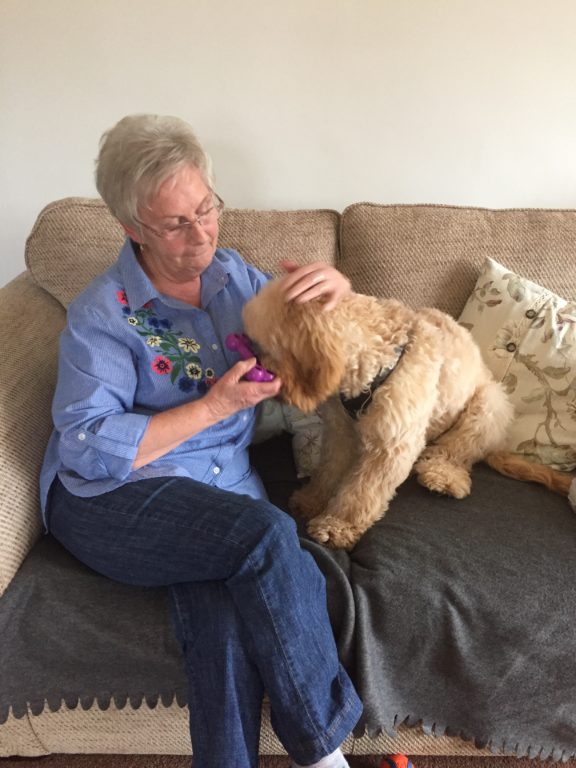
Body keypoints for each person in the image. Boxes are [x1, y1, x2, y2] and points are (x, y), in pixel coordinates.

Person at [40, 114, 363, 768]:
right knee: (267, 535)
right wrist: (217, 404)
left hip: (213, 489)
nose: (203, 233)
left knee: (220, 618)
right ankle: (326, 755)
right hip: (112, 496)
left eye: (207, 209)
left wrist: (338, 297)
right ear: (132, 228)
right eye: (177, 224)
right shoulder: (102, 316)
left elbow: (304, 337)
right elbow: (86, 444)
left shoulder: (231, 276)